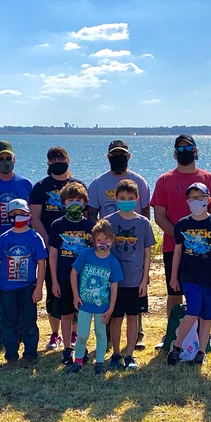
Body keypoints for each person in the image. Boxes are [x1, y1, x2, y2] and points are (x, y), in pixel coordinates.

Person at [151, 134, 211, 351]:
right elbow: (160, 216)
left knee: (204, 292)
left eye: (189, 148)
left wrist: (199, 240)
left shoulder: (209, 179)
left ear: (196, 150)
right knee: (175, 292)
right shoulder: (164, 180)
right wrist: (182, 238)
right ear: (175, 152)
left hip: (206, 251)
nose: (185, 152)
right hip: (173, 247)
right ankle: (171, 335)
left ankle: (206, 337)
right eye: (180, 148)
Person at [88, 139, 152, 352]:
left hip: (133, 257)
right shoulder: (97, 183)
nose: (118, 158)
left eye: (122, 154)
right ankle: (108, 341)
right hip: (110, 254)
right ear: (108, 157)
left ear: (128, 156)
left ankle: (136, 339)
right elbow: (91, 217)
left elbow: (145, 214)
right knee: (110, 301)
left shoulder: (139, 181)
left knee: (134, 305)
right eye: (114, 154)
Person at [167, 183, 211, 366]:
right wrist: (173, 276)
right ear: (187, 201)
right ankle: (177, 346)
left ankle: (201, 351)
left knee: (206, 316)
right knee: (193, 311)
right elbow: (177, 252)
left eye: (200, 197)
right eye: (192, 197)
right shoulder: (183, 224)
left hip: (210, 278)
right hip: (189, 277)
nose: (196, 201)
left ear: (208, 200)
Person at [29, 146, 85, 351]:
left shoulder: (78, 186)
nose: (56, 161)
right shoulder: (40, 186)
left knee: (77, 291)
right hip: (52, 247)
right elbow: (34, 217)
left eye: (60, 157)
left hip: (77, 249)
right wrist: (50, 241)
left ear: (68, 159)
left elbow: (86, 218)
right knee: (55, 291)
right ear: (48, 163)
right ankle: (55, 334)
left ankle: (74, 333)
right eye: (52, 159)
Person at [0, 140, 33, 348]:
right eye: (0, 159)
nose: (4, 162)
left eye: (8, 158)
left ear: (14, 159)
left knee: (20, 284)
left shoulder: (25, 184)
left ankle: (19, 329)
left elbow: (31, 215)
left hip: (21, 239)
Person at [103, 179, 156, 371]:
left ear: (137, 199)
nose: (126, 200)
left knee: (133, 317)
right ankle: (116, 353)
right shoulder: (109, 222)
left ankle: (129, 354)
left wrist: (145, 278)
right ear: (116, 198)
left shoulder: (143, 223)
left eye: (130, 198)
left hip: (135, 280)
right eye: (122, 198)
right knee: (116, 318)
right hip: (115, 282)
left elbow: (147, 252)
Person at [0, 199, 48, 367]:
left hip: (28, 287)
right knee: (8, 322)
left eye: (22, 214)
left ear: (29, 215)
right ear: (9, 217)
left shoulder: (34, 237)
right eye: (14, 214)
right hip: (7, 289)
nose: (18, 217)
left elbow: (41, 263)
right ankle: (11, 354)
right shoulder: (4, 238)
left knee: (29, 322)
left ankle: (30, 354)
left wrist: (39, 287)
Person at [68, 220, 124, 375]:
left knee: (100, 333)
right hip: (85, 303)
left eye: (106, 239)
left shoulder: (113, 262)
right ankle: (78, 360)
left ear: (112, 240)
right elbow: (74, 273)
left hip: (103, 306)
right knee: (83, 334)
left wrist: (111, 308)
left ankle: (99, 361)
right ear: (93, 241)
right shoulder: (86, 254)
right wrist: (76, 296)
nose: (102, 243)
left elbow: (114, 286)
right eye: (99, 240)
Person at [48, 182, 94, 365]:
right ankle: (67, 348)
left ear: (84, 203)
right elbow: (53, 254)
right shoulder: (57, 225)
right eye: (70, 200)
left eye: (78, 200)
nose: (74, 203)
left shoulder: (89, 225)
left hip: (84, 279)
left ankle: (82, 347)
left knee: (83, 314)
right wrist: (54, 281)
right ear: (63, 202)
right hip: (63, 276)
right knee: (66, 314)